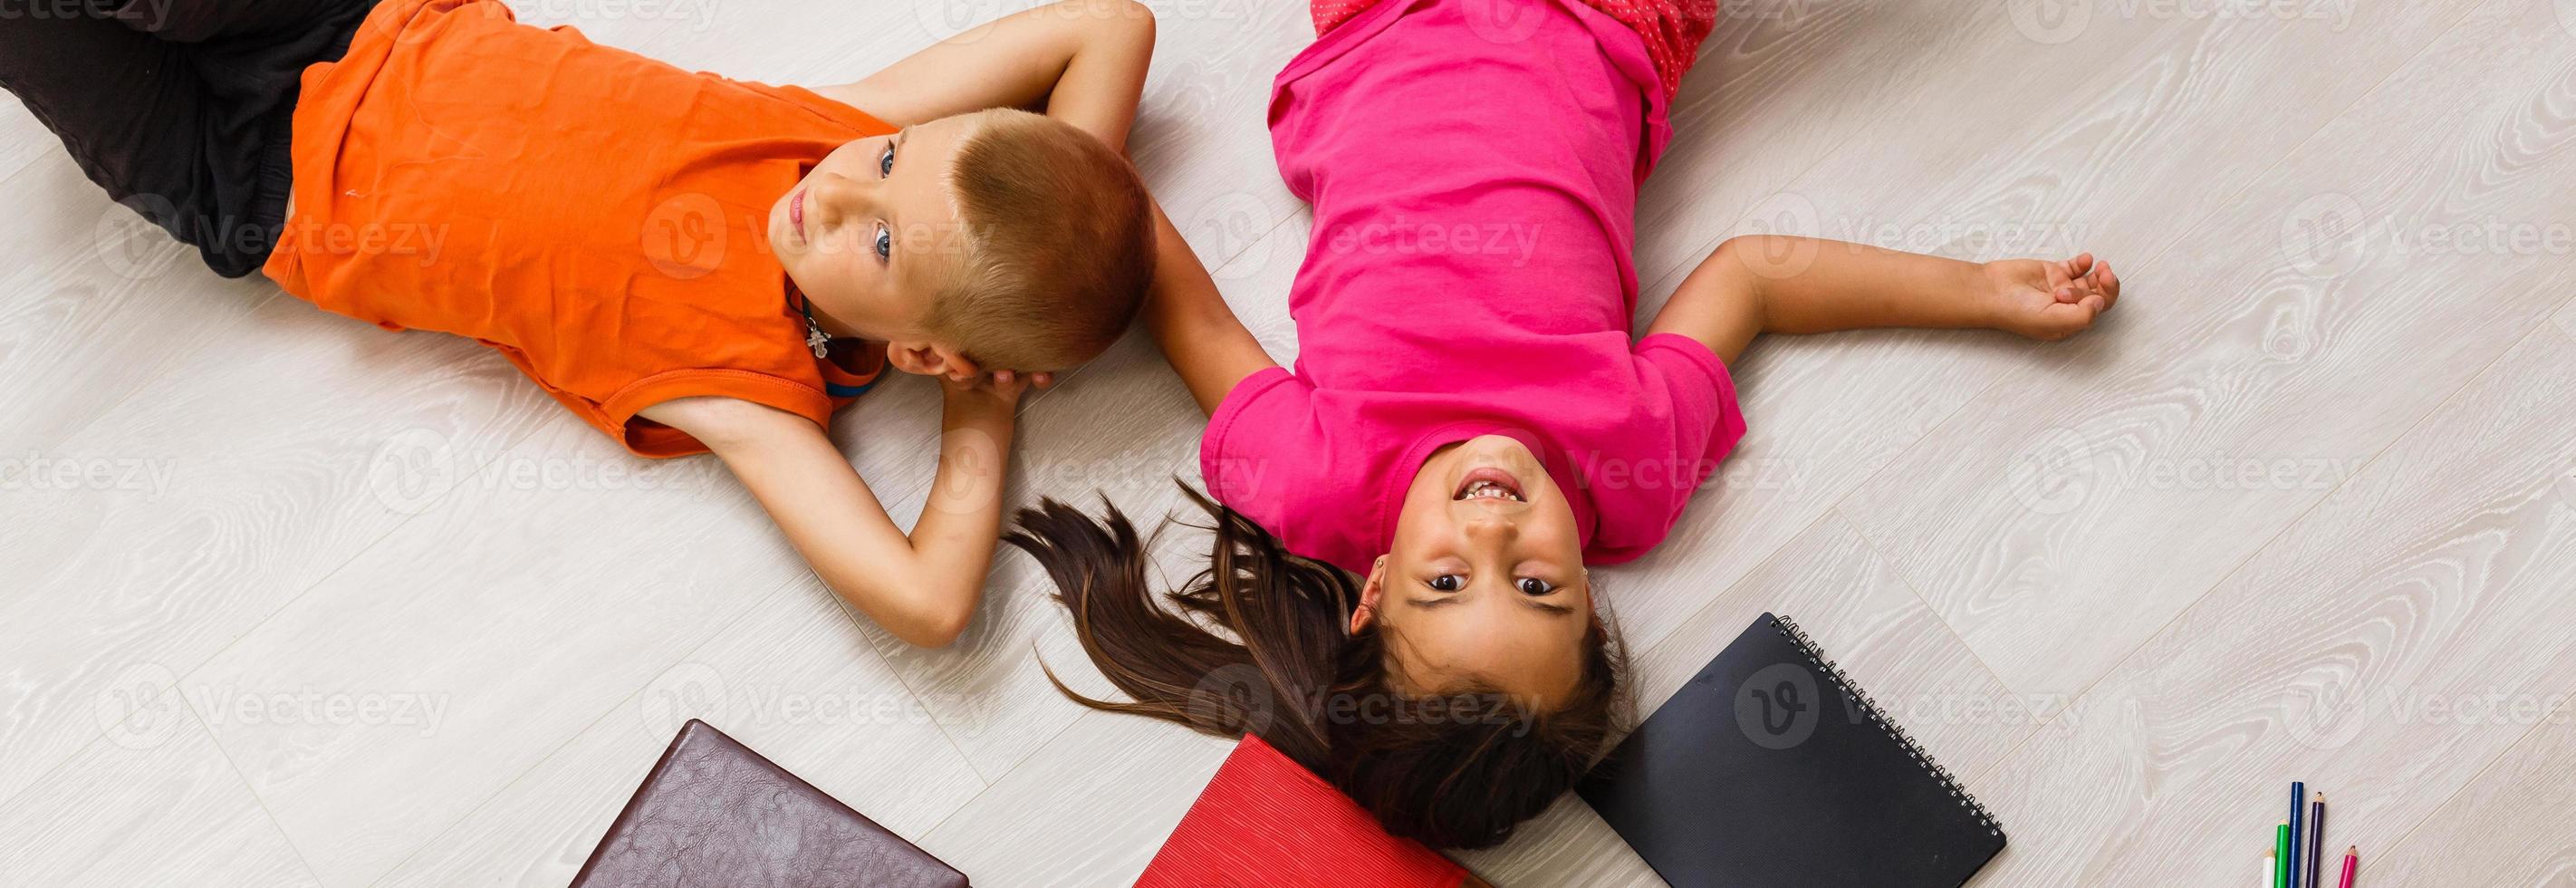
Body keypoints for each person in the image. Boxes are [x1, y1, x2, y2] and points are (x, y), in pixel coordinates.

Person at [1008, 0, 2121, 847]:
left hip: (1381, 29)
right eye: (1539, 586)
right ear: (1593, 601)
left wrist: (1035, 213)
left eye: (1448, 583)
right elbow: (1755, 280)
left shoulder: (1310, 482)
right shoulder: (1628, 478)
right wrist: (1979, 291)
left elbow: (1178, 296)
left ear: (1373, 593)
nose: (1495, 534)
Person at [0, 0, 1169, 646]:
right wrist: (1024, 253)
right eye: (897, 156)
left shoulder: (747, 389)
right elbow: (1109, 25)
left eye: (877, 241)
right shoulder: (823, 134)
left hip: (248, 183)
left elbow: (926, 604)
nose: (842, 188)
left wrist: (980, 401)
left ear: (918, 349)